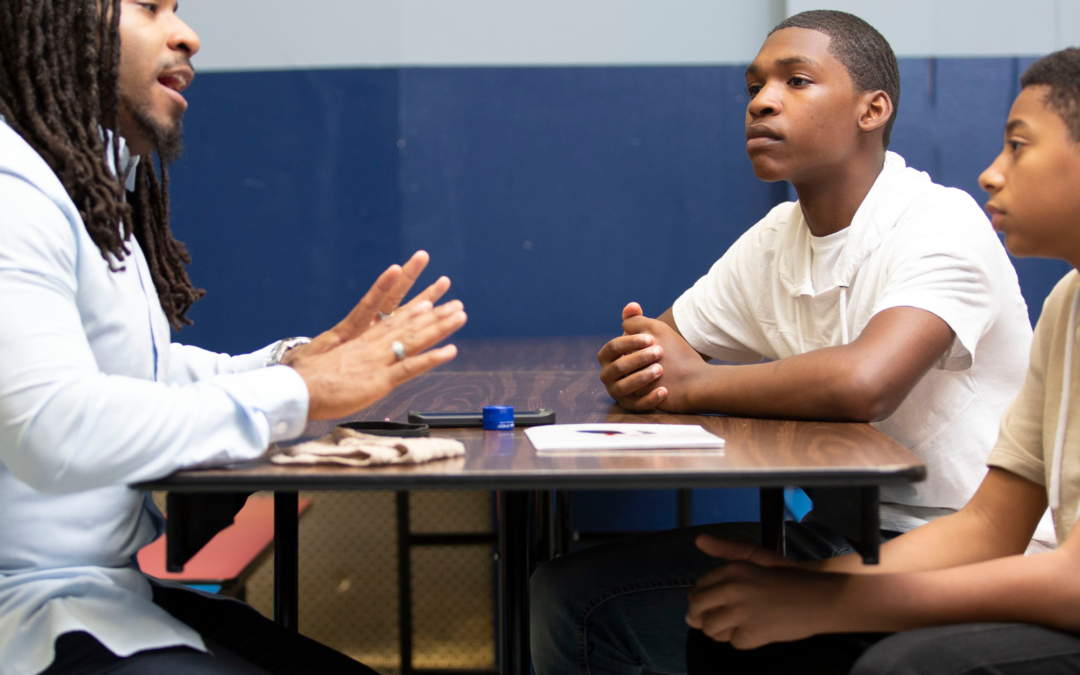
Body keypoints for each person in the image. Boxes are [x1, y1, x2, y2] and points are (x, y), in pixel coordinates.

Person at [530, 10, 1051, 675]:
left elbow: (866, 382)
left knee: (750, 635)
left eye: (796, 81)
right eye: (754, 87)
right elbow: (661, 348)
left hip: (968, 549)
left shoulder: (939, 222)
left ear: (872, 110)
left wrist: (694, 382)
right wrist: (640, 366)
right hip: (841, 534)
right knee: (571, 597)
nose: (762, 102)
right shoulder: (778, 236)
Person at [0, 1, 466, 674]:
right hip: (31, 614)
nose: (186, 35)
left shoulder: (75, 181)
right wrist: (296, 392)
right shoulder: (12, 189)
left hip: (110, 592)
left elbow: (124, 376)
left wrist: (289, 364)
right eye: (148, 6)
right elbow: (54, 428)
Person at [685, 45, 1080, 675]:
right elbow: (989, 526)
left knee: (904, 666)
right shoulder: (1068, 303)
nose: (991, 173)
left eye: (1018, 146)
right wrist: (806, 585)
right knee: (734, 631)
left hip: (1049, 585)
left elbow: (1069, 579)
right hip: (978, 561)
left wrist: (833, 600)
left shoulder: (938, 220)